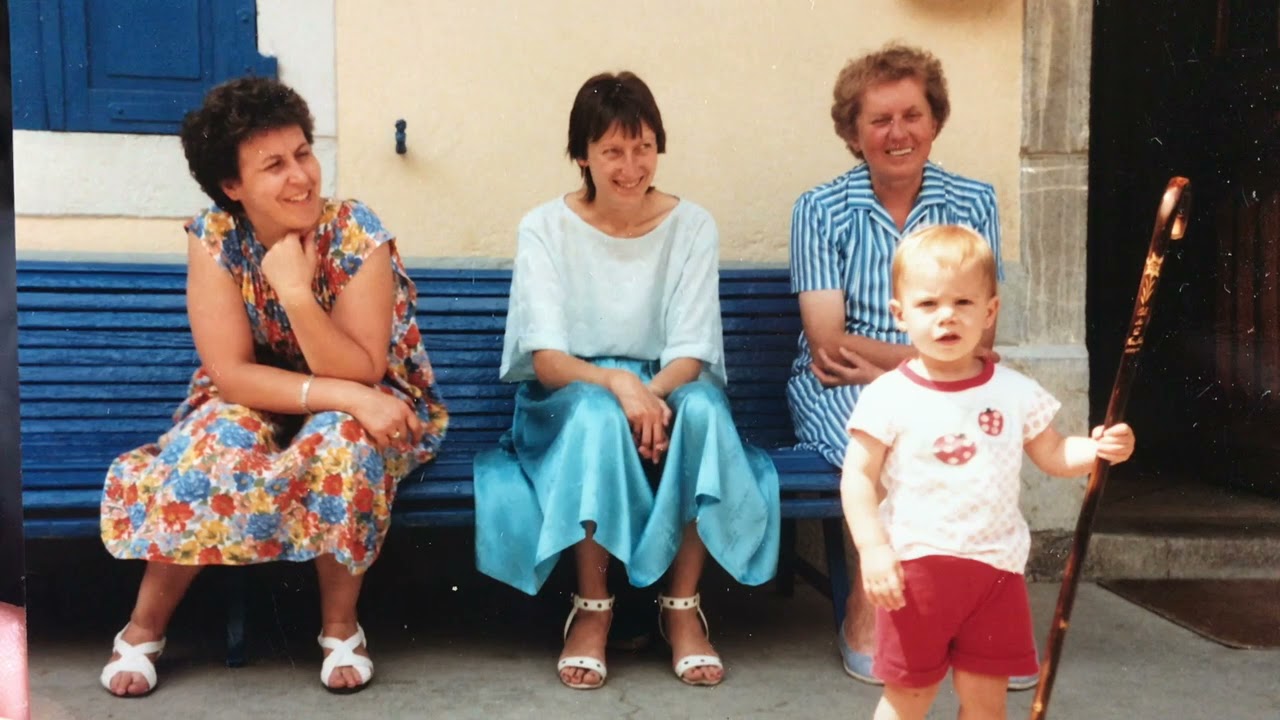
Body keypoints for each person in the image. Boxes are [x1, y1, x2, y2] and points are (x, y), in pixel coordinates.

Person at [98, 76, 448, 696]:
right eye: (275, 165)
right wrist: (345, 395)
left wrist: (293, 291)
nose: (302, 177)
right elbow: (231, 372)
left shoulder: (355, 231)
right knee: (214, 438)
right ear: (233, 187)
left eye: (304, 154)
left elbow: (363, 368)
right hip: (259, 395)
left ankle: (340, 628)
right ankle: (143, 628)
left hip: (366, 397)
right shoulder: (214, 238)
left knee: (343, 439)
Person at [473, 71, 780, 690]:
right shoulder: (545, 227)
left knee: (705, 411)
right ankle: (592, 609)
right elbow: (549, 360)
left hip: (665, 385)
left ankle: (683, 609)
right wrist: (619, 387)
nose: (630, 165)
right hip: (569, 397)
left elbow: (691, 353)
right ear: (582, 155)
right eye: (612, 150)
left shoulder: (692, 225)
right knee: (594, 414)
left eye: (643, 147)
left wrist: (650, 396)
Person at [785, 42, 1045, 688]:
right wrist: (928, 367)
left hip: (933, 373)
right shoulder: (821, 209)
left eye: (911, 115)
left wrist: (900, 366)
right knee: (880, 431)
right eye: (878, 120)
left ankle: (980, 621)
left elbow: (981, 334)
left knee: (988, 422)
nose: (897, 133)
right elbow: (827, 342)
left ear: (935, 121)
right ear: (853, 131)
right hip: (835, 386)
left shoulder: (972, 201)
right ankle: (869, 609)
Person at [842, 224, 1135, 720]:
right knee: (908, 699)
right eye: (929, 305)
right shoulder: (889, 395)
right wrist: (873, 550)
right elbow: (858, 479)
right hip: (917, 572)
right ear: (899, 315)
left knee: (986, 704)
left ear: (990, 311)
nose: (947, 317)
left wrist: (1099, 449)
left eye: (963, 302)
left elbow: (1055, 453)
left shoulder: (1014, 391)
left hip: (995, 574)